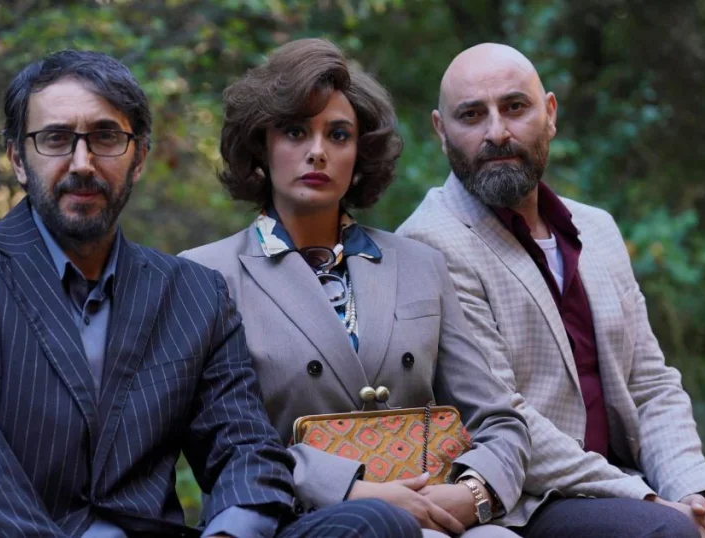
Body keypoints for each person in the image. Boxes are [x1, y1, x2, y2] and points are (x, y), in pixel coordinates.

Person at [0, 49, 422, 538]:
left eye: (106, 138)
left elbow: (245, 451)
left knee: (374, 524)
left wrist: (229, 534)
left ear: (138, 158)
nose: (83, 163)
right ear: (18, 158)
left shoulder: (192, 293)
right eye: (56, 139)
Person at [397, 42, 705, 537]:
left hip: (632, 480)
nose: (497, 132)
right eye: (471, 115)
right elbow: (504, 415)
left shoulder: (595, 228)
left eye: (515, 107)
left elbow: (651, 384)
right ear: (441, 131)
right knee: (667, 533)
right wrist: (651, 502)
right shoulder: (432, 242)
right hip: (531, 497)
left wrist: (688, 490)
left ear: (550, 114)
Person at [180, 39, 529, 538]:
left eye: (338, 135)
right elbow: (218, 445)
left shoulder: (421, 264)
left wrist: (472, 493)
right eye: (295, 131)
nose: (317, 151)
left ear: (360, 154)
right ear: (261, 146)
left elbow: (497, 419)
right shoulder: (204, 275)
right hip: (289, 517)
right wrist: (354, 491)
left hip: (431, 506)